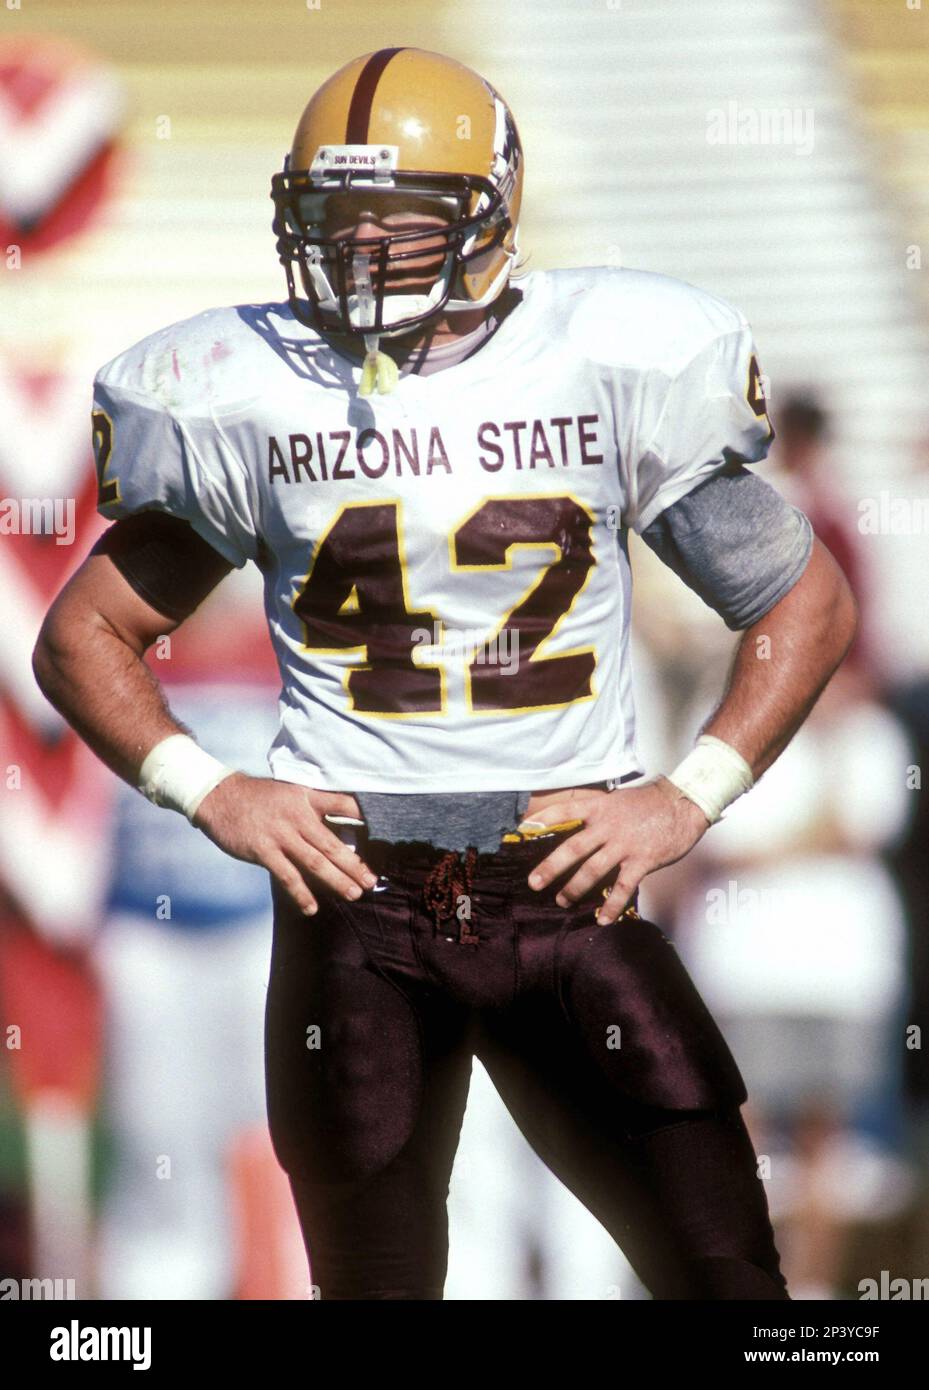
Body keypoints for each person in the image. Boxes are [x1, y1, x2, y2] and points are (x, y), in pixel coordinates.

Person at [32, 47, 857, 1300]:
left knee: (729, 1283)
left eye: (398, 223)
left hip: (563, 877)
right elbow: (80, 635)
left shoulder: (605, 363)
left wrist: (688, 793)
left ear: (487, 215)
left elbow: (803, 599)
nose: (360, 253)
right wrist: (213, 790)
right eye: (331, 220)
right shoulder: (259, 394)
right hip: (352, 895)